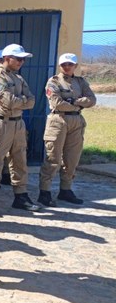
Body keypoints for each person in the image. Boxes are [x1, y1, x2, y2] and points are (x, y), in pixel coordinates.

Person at [0, 44, 40, 216]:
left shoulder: (18, 79)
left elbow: (32, 100)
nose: (22, 62)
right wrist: (22, 101)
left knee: (19, 159)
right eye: (19, 58)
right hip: (1, 124)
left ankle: (20, 196)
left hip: (18, 123)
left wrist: (20, 100)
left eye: (23, 59)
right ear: (7, 59)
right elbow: (9, 102)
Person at [38, 53, 97, 206]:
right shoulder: (54, 82)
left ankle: (66, 189)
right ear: (60, 66)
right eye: (64, 64)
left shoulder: (80, 82)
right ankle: (44, 192)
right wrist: (80, 103)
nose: (67, 67)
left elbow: (92, 99)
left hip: (76, 121)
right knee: (53, 158)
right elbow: (58, 103)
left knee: (72, 158)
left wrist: (74, 102)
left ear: (75, 66)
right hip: (58, 120)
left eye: (70, 64)